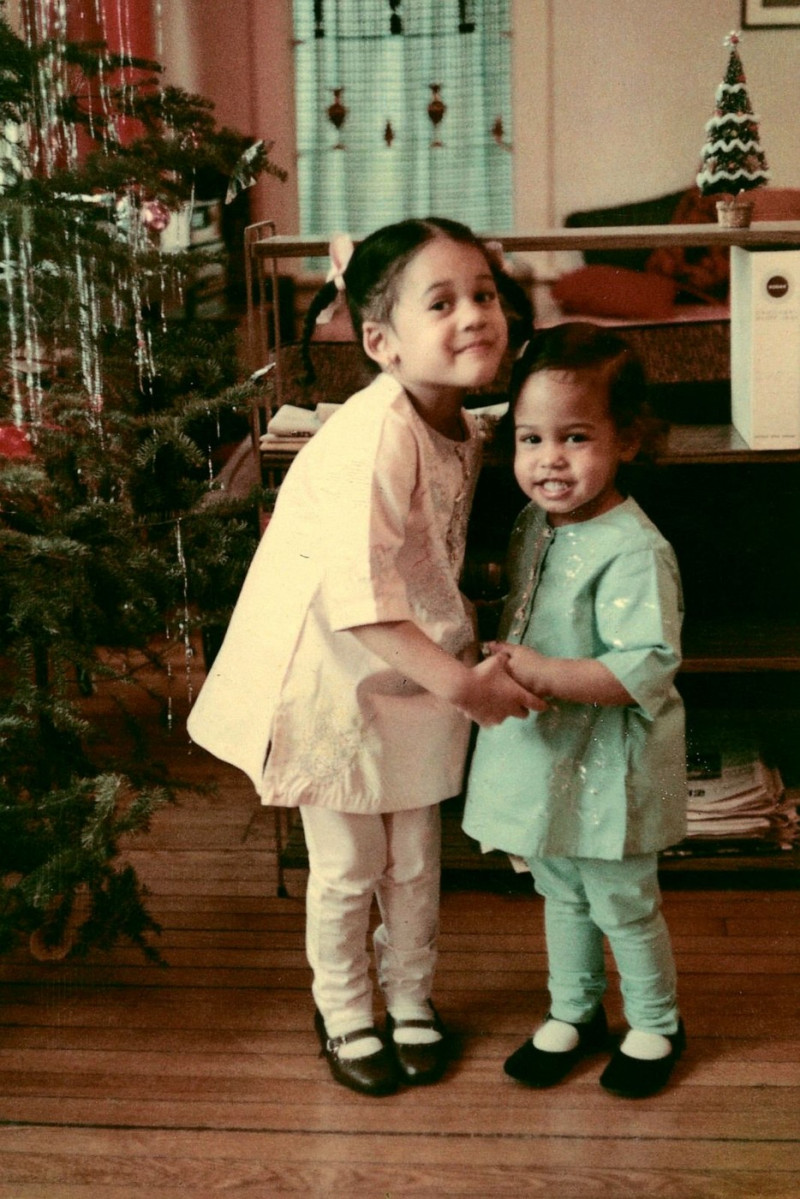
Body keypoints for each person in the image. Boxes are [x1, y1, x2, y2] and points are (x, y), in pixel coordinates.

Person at [187, 217, 542, 1097]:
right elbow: (357, 603)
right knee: (349, 865)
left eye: (484, 295)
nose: (473, 316)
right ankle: (346, 1008)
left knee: (417, 857)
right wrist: (469, 688)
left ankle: (412, 996)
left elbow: (464, 463)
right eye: (443, 302)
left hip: (413, 666)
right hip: (334, 679)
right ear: (380, 343)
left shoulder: (450, 413)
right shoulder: (373, 436)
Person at [462, 322, 688, 1099]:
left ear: (627, 438)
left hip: (607, 765)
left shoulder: (634, 547)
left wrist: (541, 669)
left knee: (621, 898)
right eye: (531, 438)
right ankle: (574, 1010)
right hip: (549, 754)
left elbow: (645, 665)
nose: (548, 460)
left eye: (575, 437)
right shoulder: (538, 523)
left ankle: (656, 1021)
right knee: (556, 885)